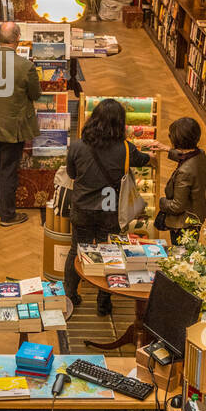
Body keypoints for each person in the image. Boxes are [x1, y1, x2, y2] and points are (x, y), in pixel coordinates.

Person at [64, 98, 163, 315]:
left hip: (82, 208)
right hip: (111, 212)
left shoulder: (78, 146)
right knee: (109, 254)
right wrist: (153, 154)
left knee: (76, 250)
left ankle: (70, 296)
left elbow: (71, 174)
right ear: (120, 123)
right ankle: (103, 302)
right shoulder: (126, 149)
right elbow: (144, 160)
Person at [0, 21, 41, 227]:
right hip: (13, 125)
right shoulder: (26, 66)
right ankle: (7, 215)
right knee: (8, 169)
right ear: (18, 37)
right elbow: (35, 94)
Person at [157, 116, 206, 245]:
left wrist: (161, 202)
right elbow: (186, 157)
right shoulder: (200, 154)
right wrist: (167, 149)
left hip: (183, 223)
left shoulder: (184, 172)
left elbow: (176, 206)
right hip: (196, 214)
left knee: (181, 254)